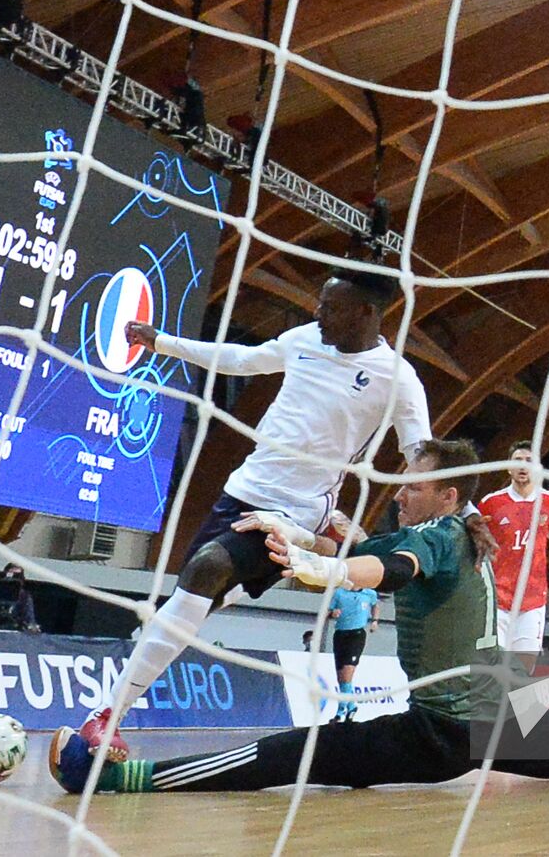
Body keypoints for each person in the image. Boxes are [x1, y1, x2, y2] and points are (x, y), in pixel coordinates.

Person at [50, 439, 549, 794]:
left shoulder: (437, 536)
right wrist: (306, 535)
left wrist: (324, 568)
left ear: (448, 491)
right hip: (501, 705)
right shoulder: (453, 533)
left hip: (445, 726)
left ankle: (121, 781)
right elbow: (369, 547)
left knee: (300, 754)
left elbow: (380, 569)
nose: (399, 490)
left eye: (412, 481)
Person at [79, 267, 432, 760]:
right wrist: (162, 343)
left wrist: (452, 504)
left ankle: (105, 717)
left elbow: (421, 451)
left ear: (367, 313)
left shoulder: (397, 378)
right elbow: (242, 359)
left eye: (331, 307)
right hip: (239, 494)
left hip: (295, 514)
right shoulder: (305, 340)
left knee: (206, 570)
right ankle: (115, 705)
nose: (318, 313)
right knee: (192, 602)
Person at [478, 441, 549, 670]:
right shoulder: (491, 503)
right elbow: (474, 538)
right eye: (517, 461)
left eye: (529, 461)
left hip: (533, 600)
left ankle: (515, 705)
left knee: (524, 669)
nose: (523, 466)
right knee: (493, 666)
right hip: (497, 598)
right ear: (508, 467)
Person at [328, 585, 380, 721]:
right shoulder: (339, 593)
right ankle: (352, 706)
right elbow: (328, 611)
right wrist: (333, 613)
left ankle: (340, 712)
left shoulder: (369, 593)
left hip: (356, 635)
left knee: (346, 674)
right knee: (341, 678)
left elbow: (375, 605)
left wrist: (374, 621)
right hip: (340, 634)